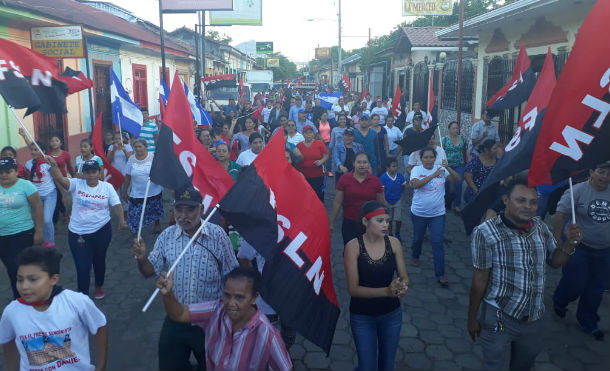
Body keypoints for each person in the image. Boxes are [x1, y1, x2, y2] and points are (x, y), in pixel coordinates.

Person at [467, 176, 583, 370]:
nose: (528, 206)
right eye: (521, 200)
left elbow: (555, 262)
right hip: (499, 316)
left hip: (534, 319)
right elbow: (479, 279)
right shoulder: (485, 232)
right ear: (506, 200)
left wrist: (569, 243)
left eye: (533, 202)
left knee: (524, 366)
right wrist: (472, 319)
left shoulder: (540, 227)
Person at [132, 186, 239, 371]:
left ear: (202, 209)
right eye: (179, 209)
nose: (183, 215)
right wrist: (141, 258)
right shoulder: (167, 236)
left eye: (190, 209)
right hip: (176, 316)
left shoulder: (218, 235)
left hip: (210, 321)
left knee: (213, 366)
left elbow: (232, 275)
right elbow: (148, 272)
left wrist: (233, 316)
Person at [156, 266, 292, 371]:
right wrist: (168, 294)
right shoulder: (216, 309)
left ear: (254, 298)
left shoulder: (267, 335)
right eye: (227, 295)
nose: (231, 303)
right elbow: (179, 314)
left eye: (239, 297)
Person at [0, 246, 108, 371]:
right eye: (19, 280)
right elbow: (7, 341)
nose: (24, 286)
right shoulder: (12, 311)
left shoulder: (76, 302)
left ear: (54, 279)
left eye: (33, 280)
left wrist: (101, 365)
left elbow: (100, 325)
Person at [48, 158, 127, 299]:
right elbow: (61, 180)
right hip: (78, 233)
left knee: (99, 260)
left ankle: (98, 286)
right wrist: (54, 167)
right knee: (82, 266)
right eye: (87, 172)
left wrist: (121, 220)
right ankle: (83, 296)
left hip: (102, 231)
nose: (90, 175)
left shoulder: (106, 187)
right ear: (83, 174)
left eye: (93, 172)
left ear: (99, 172)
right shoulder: (76, 184)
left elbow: (116, 205)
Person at [343, 201, 408, 371]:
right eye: (380, 221)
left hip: (391, 314)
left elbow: (404, 276)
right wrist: (386, 291)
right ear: (365, 222)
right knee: (367, 366)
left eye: (387, 220)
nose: (386, 225)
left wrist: (402, 285)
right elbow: (353, 289)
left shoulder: (394, 243)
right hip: (362, 316)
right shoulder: (353, 247)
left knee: (387, 365)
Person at [552, 161, 610, 341]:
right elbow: (560, 214)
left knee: (595, 289)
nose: (605, 177)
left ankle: (588, 322)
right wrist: (557, 242)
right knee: (575, 283)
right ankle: (560, 300)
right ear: (591, 171)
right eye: (601, 172)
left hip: (604, 251)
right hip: (579, 248)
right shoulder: (576, 190)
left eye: (609, 174)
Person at [409, 147, 460, 286]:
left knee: (437, 242)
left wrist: (447, 167)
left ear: (435, 158)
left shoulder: (441, 169)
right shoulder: (417, 170)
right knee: (418, 238)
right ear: (421, 159)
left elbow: (457, 179)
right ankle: (415, 255)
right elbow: (416, 185)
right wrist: (434, 174)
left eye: (431, 157)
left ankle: (440, 273)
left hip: (438, 214)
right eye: (425, 157)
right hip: (419, 213)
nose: (428, 160)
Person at [0, 158, 43, 298]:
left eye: (8, 171)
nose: (3, 175)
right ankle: (21, 300)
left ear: (16, 171)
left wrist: (39, 231)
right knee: (11, 269)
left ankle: (26, 298)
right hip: (2, 237)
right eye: (0, 172)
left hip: (22, 234)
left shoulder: (26, 185)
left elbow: (37, 207)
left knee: (18, 269)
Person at [329, 152, 387, 245]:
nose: (362, 165)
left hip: (370, 223)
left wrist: (384, 223)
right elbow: (337, 202)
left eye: (365, 162)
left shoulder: (375, 181)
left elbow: (381, 204)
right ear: (354, 164)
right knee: (349, 250)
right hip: (350, 222)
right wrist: (330, 222)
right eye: (359, 162)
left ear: (369, 164)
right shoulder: (344, 179)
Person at [123, 139, 163, 235]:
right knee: (135, 214)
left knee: (155, 210)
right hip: (137, 193)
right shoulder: (131, 159)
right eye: (135, 147)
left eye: (140, 146)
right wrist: (125, 191)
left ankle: (157, 224)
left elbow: (161, 174)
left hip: (153, 191)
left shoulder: (153, 158)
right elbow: (128, 177)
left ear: (146, 147)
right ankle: (137, 233)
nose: (137, 148)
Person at [24, 142, 56, 248]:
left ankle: (50, 242)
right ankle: (44, 238)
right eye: (32, 150)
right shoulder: (28, 164)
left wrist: (64, 195)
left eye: (36, 150)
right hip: (36, 196)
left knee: (47, 219)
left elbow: (56, 178)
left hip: (50, 194)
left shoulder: (47, 163)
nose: (33, 152)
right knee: (38, 220)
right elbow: (28, 180)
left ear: (43, 151)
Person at [296, 125, 329, 202]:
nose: (309, 135)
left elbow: (326, 155)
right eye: (306, 133)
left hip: (317, 175)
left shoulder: (319, 143)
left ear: (313, 134)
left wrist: (321, 161)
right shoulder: (299, 145)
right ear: (303, 134)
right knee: (305, 195)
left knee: (318, 195)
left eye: (310, 133)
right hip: (303, 176)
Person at [380, 158, 408, 241]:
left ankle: (398, 233)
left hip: (397, 200)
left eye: (396, 166)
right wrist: (384, 201)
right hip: (387, 201)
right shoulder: (383, 177)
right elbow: (382, 191)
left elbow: (405, 185)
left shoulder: (399, 175)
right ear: (387, 168)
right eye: (393, 166)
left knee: (398, 219)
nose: (396, 168)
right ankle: (390, 233)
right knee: (390, 219)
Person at [442, 121, 466, 213]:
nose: (456, 130)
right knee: (447, 184)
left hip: (459, 164)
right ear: (449, 129)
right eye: (454, 128)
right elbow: (440, 152)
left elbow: (464, 151)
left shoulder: (462, 138)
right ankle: (447, 202)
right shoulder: (444, 140)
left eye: (457, 128)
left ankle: (457, 205)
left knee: (458, 183)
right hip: (447, 166)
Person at [464, 139, 498, 203]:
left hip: (492, 194)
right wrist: (477, 191)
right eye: (494, 148)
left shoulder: (498, 160)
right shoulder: (476, 161)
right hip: (475, 193)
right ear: (486, 150)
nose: (497, 150)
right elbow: (467, 176)